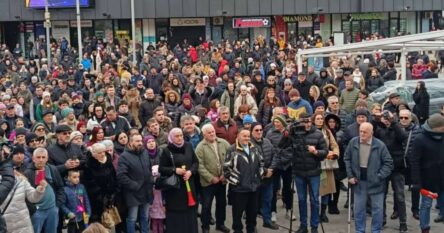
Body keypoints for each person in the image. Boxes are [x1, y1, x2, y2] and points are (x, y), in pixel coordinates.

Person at [278, 113, 328, 233]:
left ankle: (314, 226)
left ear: (311, 121)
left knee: (315, 200)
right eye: (304, 122)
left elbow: (325, 152)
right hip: (299, 172)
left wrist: (315, 152)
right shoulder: (294, 134)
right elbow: (281, 146)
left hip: (314, 172)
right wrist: (286, 134)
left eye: (308, 121)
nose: (307, 124)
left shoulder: (318, 134)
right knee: (301, 200)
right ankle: (303, 225)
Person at [344, 122, 394, 233]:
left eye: (365, 132)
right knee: (359, 210)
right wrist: (350, 175)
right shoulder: (353, 142)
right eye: (360, 131)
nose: (362, 134)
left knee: (377, 210)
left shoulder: (379, 145)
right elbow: (347, 158)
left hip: (376, 183)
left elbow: (389, 163)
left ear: (371, 132)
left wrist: (379, 176)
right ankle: (360, 230)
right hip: (359, 181)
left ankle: (376, 230)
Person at [159, 128, 199, 233]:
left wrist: (190, 171)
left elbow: (195, 162)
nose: (179, 138)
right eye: (176, 136)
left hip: (189, 184)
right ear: (171, 137)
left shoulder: (189, 146)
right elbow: (161, 168)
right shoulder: (167, 150)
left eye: (181, 135)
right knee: (176, 214)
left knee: (190, 212)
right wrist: (175, 170)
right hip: (175, 189)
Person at [224, 129, 264, 233]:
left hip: (254, 188)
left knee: (252, 213)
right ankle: (237, 230)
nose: (247, 138)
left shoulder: (255, 148)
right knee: (237, 214)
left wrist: (259, 177)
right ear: (238, 136)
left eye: (248, 136)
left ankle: (251, 229)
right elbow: (226, 169)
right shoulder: (232, 149)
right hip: (239, 190)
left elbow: (261, 163)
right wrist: (237, 182)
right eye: (244, 136)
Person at [410, 114, 444, 233]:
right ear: (436, 127)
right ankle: (425, 228)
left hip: (442, 178)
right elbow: (414, 162)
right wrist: (416, 182)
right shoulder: (420, 139)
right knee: (426, 205)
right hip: (427, 180)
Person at [195, 124, 231, 233]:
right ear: (204, 134)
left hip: (222, 180)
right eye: (209, 132)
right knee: (206, 206)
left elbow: (231, 158)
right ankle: (205, 227)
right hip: (207, 183)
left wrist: (225, 174)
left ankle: (220, 224)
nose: (212, 134)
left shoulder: (223, 143)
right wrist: (211, 178)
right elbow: (199, 165)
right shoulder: (200, 147)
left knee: (221, 204)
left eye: (213, 131)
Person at [117, 134, 153, 233]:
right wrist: (134, 185)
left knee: (145, 216)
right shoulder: (124, 156)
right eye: (137, 141)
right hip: (133, 193)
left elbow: (149, 168)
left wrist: (150, 180)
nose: (140, 143)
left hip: (146, 190)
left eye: (141, 140)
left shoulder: (145, 152)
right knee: (132, 218)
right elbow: (121, 176)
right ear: (131, 142)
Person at [24, 147, 66, 233]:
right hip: (37, 211)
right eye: (38, 157)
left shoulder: (52, 169)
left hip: (52, 209)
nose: (41, 160)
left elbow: (60, 187)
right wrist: (33, 209)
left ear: (47, 158)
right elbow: (25, 194)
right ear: (33, 158)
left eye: (43, 157)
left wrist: (57, 205)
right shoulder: (28, 173)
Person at [250, 123, 279, 230]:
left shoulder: (267, 141)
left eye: (261, 130)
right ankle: (252, 225)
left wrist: (271, 169)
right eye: (256, 130)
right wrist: (265, 171)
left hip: (268, 178)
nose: (259, 132)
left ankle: (267, 221)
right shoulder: (249, 144)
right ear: (252, 132)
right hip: (256, 178)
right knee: (254, 203)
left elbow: (275, 155)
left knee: (268, 200)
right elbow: (252, 162)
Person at [312, 113, 340, 223]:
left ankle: (323, 213)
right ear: (313, 120)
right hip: (314, 164)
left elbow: (334, 145)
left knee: (326, 190)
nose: (319, 120)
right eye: (317, 118)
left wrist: (335, 154)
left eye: (321, 118)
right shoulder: (310, 131)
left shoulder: (327, 131)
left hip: (326, 164)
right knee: (315, 191)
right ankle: (315, 212)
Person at [0, 168, 46, 233]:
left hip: (24, 226)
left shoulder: (21, 180)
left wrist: (39, 189)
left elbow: (33, 198)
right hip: (5, 226)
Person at [83, 143, 119, 223]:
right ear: (94, 154)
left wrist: (113, 192)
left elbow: (113, 176)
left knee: (111, 221)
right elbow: (89, 183)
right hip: (97, 199)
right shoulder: (89, 165)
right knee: (99, 221)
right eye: (99, 153)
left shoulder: (108, 160)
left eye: (103, 152)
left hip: (110, 196)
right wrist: (101, 196)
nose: (102, 154)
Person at [398, 109, 421, 220]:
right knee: (398, 188)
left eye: (406, 118)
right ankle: (396, 210)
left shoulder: (417, 130)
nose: (403, 120)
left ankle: (415, 210)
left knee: (415, 188)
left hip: (413, 163)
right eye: (401, 117)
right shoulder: (395, 128)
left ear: (411, 119)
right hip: (399, 162)